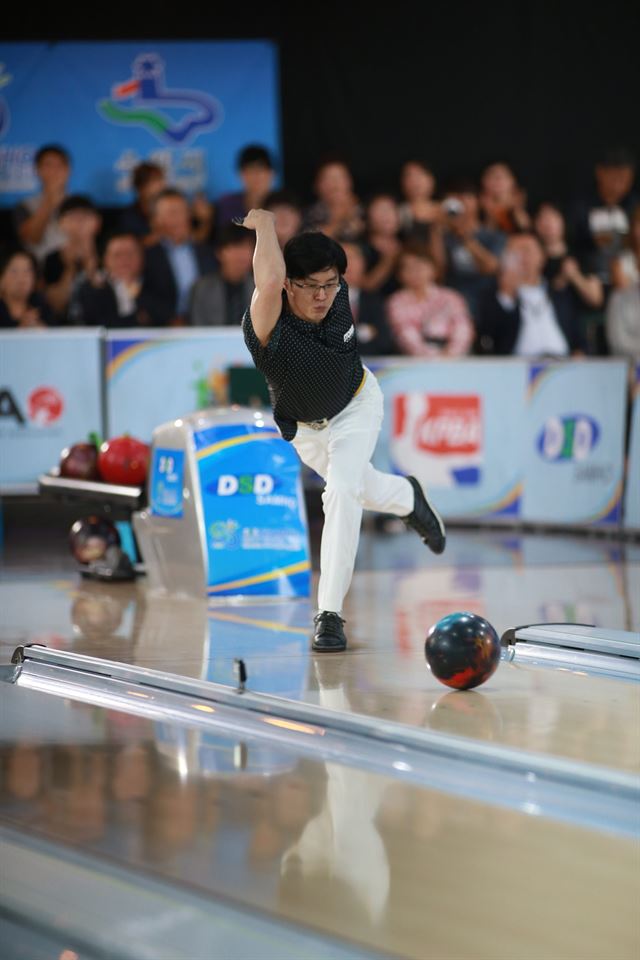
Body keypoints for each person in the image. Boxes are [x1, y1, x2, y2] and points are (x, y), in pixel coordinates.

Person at [239, 210, 445, 652]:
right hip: (305, 430)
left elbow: (321, 276)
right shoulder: (267, 322)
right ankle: (409, 497)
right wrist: (266, 226)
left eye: (330, 284)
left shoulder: (337, 294)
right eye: (311, 286)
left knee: (342, 491)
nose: (322, 295)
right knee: (358, 488)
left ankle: (329, 614)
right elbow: (269, 274)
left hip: (357, 403)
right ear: (288, 285)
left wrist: (330, 281)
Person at [476, 232, 586, 356]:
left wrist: (579, 356)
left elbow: (579, 339)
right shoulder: (494, 296)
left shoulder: (559, 294)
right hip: (516, 368)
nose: (521, 257)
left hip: (563, 365)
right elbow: (488, 339)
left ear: (542, 257)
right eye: (514, 252)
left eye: (526, 250)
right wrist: (506, 296)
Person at [142, 188, 216, 326]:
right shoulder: (147, 255)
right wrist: (170, 319)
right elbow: (143, 294)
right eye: (171, 213)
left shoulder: (206, 250)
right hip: (162, 331)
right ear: (157, 219)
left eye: (182, 211)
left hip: (204, 328)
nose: (178, 218)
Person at [386, 241, 475, 357]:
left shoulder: (450, 297)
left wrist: (452, 354)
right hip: (415, 362)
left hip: (456, 360)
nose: (416, 271)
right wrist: (433, 357)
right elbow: (405, 334)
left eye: (421, 265)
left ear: (433, 268)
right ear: (400, 275)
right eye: (409, 267)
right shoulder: (396, 301)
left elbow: (463, 328)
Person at [569, 147, 638, 291]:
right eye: (616, 177)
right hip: (592, 284)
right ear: (600, 172)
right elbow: (573, 242)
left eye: (626, 179)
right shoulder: (582, 206)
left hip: (629, 284)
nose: (621, 185)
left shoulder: (633, 205)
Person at [441, 179, 506, 321]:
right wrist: (436, 230)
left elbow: (492, 266)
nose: (461, 204)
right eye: (455, 200)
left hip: (486, 298)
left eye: (466, 198)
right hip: (454, 300)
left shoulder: (494, 236)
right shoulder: (445, 236)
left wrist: (465, 238)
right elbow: (439, 269)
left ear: (477, 201)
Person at [71, 232, 153, 328]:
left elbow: (162, 317)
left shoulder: (156, 282)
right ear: (105, 259)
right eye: (117, 255)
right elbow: (96, 323)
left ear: (142, 256)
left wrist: (133, 291)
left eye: (130, 253)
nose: (125, 260)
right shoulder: (92, 288)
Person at [42, 195, 102, 323]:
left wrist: (91, 267)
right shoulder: (52, 259)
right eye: (73, 217)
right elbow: (55, 305)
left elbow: (113, 300)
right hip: (63, 331)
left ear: (97, 222)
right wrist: (70, 269)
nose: (79, 222)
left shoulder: (109, 253)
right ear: (60, 223)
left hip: (103, 327)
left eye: (85, 216)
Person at [14, 144, 71, 264]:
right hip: (40, 271)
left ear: (68, 170)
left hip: (74, 272)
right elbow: (31, 239)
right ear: (38, 170)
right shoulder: (25, 206)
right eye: (48, 165)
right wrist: (49, 200)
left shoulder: (79, 204)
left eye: (60, 165)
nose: (55, 170)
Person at [189, 223, 255, 326]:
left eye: (246, 248)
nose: (241, 254)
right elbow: (198, 329)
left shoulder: (260, 288)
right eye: (235, 247)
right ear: (219, 252)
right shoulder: (202, 288)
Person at [341, 241, 394, 355]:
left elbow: (384, 341)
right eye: (342, 258)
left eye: (353, 258)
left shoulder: (374, 301)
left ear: (363, 265)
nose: (348, 264)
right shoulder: (320, 300)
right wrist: (363, 334)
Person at [215, 144, 276, 230]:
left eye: (261, 169)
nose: (256, 175)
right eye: (250, 170)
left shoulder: (285, 206)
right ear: (240, 174)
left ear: (272, 173)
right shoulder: (228, 206)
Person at [303, 157, 364, 241]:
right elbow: (312, 243)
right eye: (328, 178)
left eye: (340, 177)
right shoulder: (309, 214)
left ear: (350, 182)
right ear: (316, 185)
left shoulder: (365, 210)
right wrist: (340, 218)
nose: (335, 185)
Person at [359, 193, 402, 298]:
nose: (386, 216)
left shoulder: (407, 242)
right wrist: (388, 260)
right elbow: (363, 286)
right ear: (368, 218)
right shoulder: (360, 248)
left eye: (390, 210)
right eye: (379, 211)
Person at [0, 249, 52, 328]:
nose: (21, 279)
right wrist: (21, 330)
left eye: (27, 271)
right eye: (14, 271)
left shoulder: (40, 305)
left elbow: (55, 335)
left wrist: (40, 329)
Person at [118, 161, 166, 243]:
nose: (162, 185)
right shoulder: (129, 217)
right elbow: (132, 246)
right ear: (141, 187)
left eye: (161, 180)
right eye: (155, 181)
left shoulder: (166, 210)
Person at [479, 162, 530, 234]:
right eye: (492, 176)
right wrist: (490, 214)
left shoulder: (520, 202)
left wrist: (517, 209)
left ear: (513, 182)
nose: (498, 180)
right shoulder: (476, 204)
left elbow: (526, 231)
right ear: (483, 181)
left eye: (503, 176)